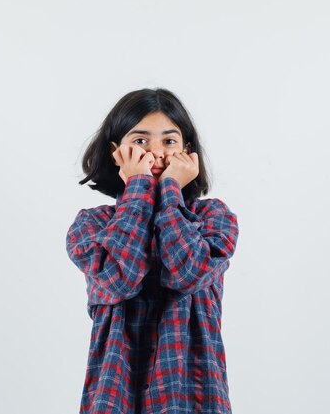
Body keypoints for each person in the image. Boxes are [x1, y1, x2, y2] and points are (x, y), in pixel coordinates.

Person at [66, 87, 240, 414]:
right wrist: (138, 188)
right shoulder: (92, 226)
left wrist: (170, 192)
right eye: (141, 141)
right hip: (116, 393)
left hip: (191, 396)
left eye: (169, 141)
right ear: (116, 150)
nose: (157, 153)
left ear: (188, 152)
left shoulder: (213, 218)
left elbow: (188, 273)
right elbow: (119, 278)